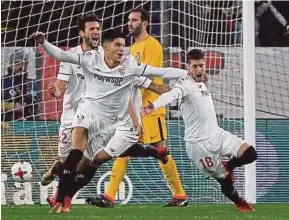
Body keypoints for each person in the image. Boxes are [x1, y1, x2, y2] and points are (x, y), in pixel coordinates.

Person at [32, 28, 187, 213]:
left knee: (93, 161)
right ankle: (61, 200)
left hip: (110, 124)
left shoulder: (130, 66)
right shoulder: (91, 58)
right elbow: (63, 55)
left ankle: (64, 195)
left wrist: (186, 74)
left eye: (124, 45)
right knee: (74, 155)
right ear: (106, 47)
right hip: (87, 112)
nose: (122, 49)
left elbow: (160, 72)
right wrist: (44, 43)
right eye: (118, 45)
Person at [142, 49, 258, 212]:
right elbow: (171, 95)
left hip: (217, 134)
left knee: (251, 153)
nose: (199, 69)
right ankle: (240, 202)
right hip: (199, 144)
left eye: (201, 65)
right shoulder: (184, 84)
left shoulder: (201, 81)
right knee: (224, 180)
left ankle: (228, 164)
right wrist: (154, 106)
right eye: (195, 66)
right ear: (188, 67)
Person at [98, 8, 188, 208]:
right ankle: (109, 196)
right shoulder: (134, 46)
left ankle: (180, 194)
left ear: (144, 23)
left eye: (134, 20)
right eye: (129, 20)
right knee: (123, 148)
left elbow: (149, 76)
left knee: (160, 150)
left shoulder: (152, 45)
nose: (130, 23)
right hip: (137, 108)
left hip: (150, 108)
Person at [1, 49, 38, 122]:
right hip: (7, 125)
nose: (21, 66)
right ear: (11, 65)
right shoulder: (2, 82)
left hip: (30, 125)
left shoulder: (32, 83)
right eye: (17, 63)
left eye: (23, 63)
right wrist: (12, 106)